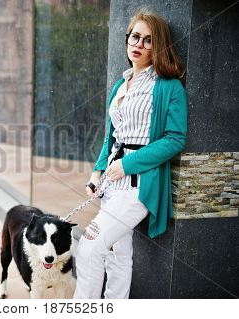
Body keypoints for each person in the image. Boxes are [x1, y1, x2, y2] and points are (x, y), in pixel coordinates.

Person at [73, 9, 188, 299]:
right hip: (113, 184)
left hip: (139, 188)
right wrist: (97, 172)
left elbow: (175, 139)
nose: (139, 44)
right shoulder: (120, 86)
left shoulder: (168, 87)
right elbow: (111, 137)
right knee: (118, 255)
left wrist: (127, 164)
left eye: (148, 40)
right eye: (135, 36)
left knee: (89, 247)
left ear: (158, 46)